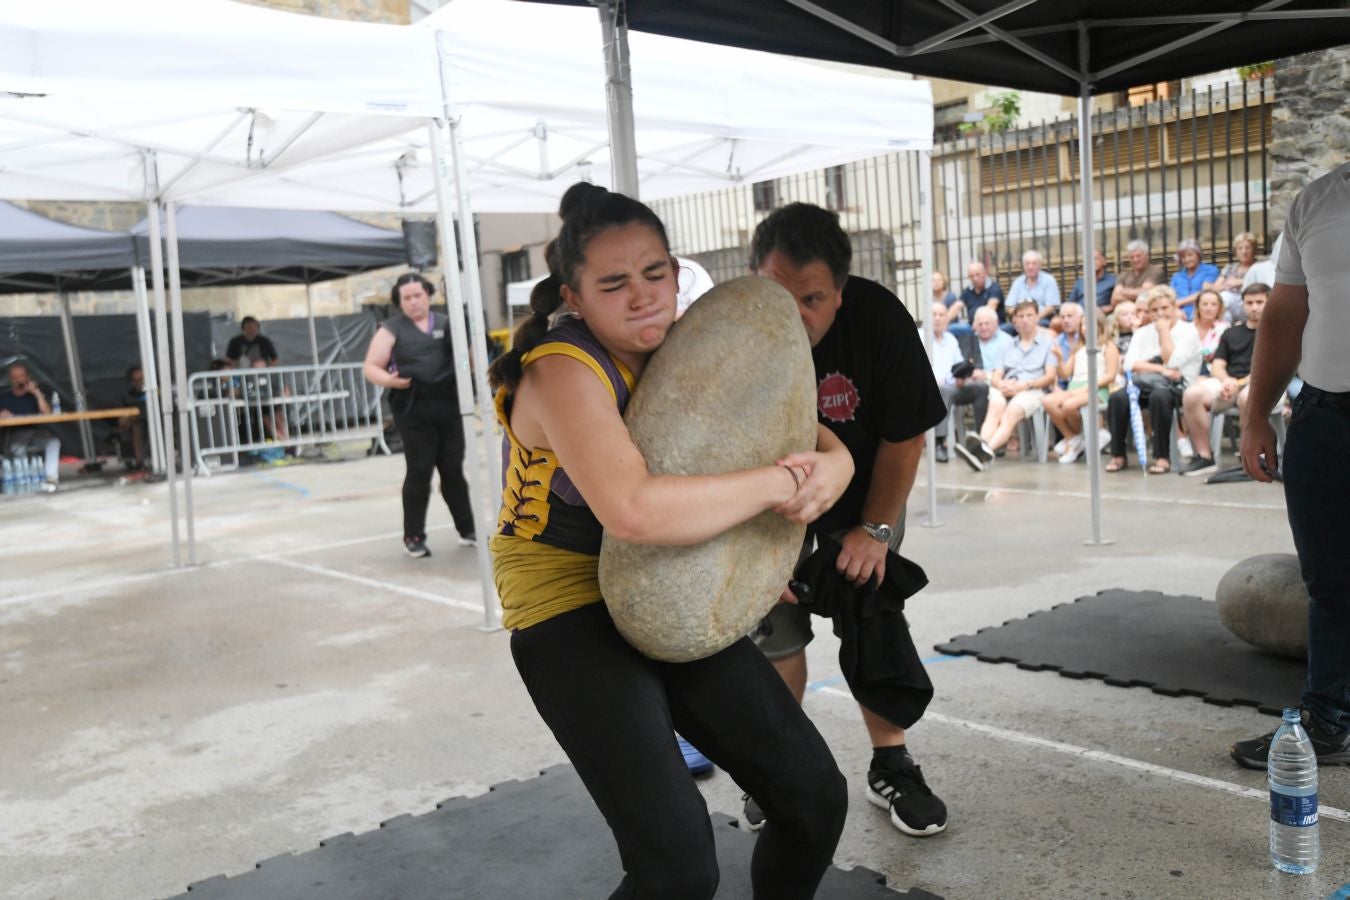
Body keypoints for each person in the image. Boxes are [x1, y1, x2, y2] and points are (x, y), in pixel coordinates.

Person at [487, 184, 855, 898]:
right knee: (679, 864)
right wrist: (783, 486)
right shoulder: (563, 369)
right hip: (567, 606)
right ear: (575, 294)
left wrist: (834, 462)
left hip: (669, 577)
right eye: (614, 282)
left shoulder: (682, 340)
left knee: (814, 799)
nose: (643, 296)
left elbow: (791, 426)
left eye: (656, 272)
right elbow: (633, 511)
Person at [747, 202, 950, 839]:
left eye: (811, 299)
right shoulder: (732, 332)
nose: (794, 314)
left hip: (864, 497)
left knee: (871, 611)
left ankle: (892, 763)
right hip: (763, 501)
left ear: (840, 290)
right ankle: (781, 772)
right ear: (755, 277)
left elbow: (904, 438)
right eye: (778, 294)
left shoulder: (879, 318)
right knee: (775, 634)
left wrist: (877, 531)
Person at [1233, 162, 1350, 770]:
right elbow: (1282, 316)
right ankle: (1327, 719)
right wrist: (1256, 415)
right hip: (1324, 413)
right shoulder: (1317, 200)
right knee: (1329, 583)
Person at [363, 273, 476, 557]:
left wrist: (468, 360)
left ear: (428, 295)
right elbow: (371, 367)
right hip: (413, 408)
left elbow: (466, 359)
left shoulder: (448, 324)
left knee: (453, 470)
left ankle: (467, 529)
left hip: (449, 406)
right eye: (407, 298)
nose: (413, 302)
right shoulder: (390, 329)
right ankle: (413, 536)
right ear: (399, 302)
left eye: (418, 295)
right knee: (420, 470)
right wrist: (391, 381)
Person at [1104, 286, 1202, 474]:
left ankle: (1162, 457)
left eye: (1165, 308)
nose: (1160, 314)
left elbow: (1173, 361)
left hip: (1178, 386)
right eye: (1155, 310)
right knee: (1117, 398)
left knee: (1159, 397)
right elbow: (1129, 364)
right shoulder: (1142, 332)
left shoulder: (1188, 331)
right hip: (1144, 383)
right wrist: (1159, 368)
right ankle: (1118, 455)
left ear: (1174, 307)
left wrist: (1164, 332)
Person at [1179, 283, 1267, 478]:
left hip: (1264, 385)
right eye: (1249, 302)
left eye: (1260, 302)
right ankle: (1204, 457)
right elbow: (1218, 365)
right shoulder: (1231, 333)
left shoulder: (1278, 332)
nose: (1254, 307)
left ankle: (1251, 458)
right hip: (1229, 383)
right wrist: (1228, 381)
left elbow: (1270, 369)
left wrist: (1239, 383)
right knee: (1192, 394)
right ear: (1242, 304)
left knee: (1247, 398)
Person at [957, 300, 1056, 471]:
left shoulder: (1048, 343)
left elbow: (1050, 376)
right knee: (994, 409)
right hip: (1006, 386)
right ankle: (980, 452)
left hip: (1032, 389)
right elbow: (996, 374)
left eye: (1029, 316)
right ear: (1015, 320)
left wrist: (1024, 386)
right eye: (1020, 316)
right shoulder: (1008, 344)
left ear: (1036, 318)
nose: (1024, 320)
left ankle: (984, 450)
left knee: (1011, 413)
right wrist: (1001, 384)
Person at [1044, 312, 1120, 465]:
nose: (1085, 328)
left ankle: (1082, 439)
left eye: (1090, 325)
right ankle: (1074, 438)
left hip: (1098, 389)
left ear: (1100, 326)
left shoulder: (1108, 347)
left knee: (1068, 405)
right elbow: (1065, 373)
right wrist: (1059, 358)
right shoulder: (1078, 348)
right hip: (1075, 388)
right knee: (1048, 401)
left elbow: (1111, 375)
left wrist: (1088, 387)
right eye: (1083, 325)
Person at [927, 303, 985, 463]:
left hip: (954, 386)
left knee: (981, 387)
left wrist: (964, 375)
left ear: (947, 319)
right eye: (934, 314)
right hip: (931, 389)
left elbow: (958, 364)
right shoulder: (919, 336)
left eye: (941, 315)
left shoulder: (951, 339)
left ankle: (981, 439)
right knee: (944, 390)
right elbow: (914, 367)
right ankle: (940, 443)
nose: (937, 318)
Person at [0, 361, 59, 490]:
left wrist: (37, 394)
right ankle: (27, 480)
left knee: (53, 442)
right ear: (11, 379)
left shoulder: (35, 395)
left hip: (35, 432)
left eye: (21, 376)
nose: (18, 380)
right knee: (17, 448)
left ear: (27, 377)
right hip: (15, 433)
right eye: (15, 377)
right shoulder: (4, 397)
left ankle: (51, 477)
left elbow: (48, 414)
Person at [1208, 232, 1258, 322]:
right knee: (1224, 308)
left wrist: (1240, 282)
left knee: (1225, 297)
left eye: (1247, 248)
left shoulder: (1259, 266)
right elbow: (1215, 287)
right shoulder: (1230, 268)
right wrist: (1225, 286)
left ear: (1253, 249)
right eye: (1240, 248)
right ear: (1236, 251)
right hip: (1232, 305)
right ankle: (1222, 332)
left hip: (1252, 302)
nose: (1244, 251)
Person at [1169, 239, 1220, 319]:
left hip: (1200, 310)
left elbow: (1205, 293)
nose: (1187, 259)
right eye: (1183, 257)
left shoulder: (1210, 270)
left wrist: (1179, 303)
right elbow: (1170, 297)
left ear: (1198, 255)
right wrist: (1176, 309)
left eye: (1190, 255)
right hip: (1179, 312)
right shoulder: (1176, 276)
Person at [1006, 249, 1060, 325]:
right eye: (1027, 264)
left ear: (1039, 265)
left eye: (1034, 263)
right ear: (1023, 266)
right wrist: (1017, 317)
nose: (1030, 267)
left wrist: (1035, 318)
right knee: (1004, 329)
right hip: (1020, 320)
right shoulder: (1017, 282)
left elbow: (1051, 307)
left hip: (1041, 319)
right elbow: (1009, 306)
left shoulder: (1049, 280)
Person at [1109, 240, 1164, 311]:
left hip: (1147, 311)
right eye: (1132, 257)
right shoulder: (1123, 275)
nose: (1135, 260)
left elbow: (1145, 293)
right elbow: (1114, 299)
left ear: (1147, 256)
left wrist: (1122, 291)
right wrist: (1137, 300)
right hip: (1124, 312)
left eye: (1138, 256)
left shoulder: (1155, 271)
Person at [118, 365, 149, 470]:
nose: (139, 383)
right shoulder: (130, 396)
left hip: (158, 421)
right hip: (139, 422)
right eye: (135, 381)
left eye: (141, 379)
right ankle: (140, 462)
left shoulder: (156, 391)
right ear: (131, 382)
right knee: (135, 427)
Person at [1192, 289, 1229, 376]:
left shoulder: (1224, 329)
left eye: (1213, 304)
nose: (1209, 308)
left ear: (1219, 308)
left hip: (1211, 372)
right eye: (1205, 304)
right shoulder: (1187, 328)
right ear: (1198, 307)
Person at [958, 260, 1005, 325]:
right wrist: (945, 319)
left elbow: (991, 307)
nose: (975, 278)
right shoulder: (968, 290)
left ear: (984, 273)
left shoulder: (994, 288)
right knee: (951, 328)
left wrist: (978, 322)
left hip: (993, 326)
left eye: (977, 275)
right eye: (971, 276)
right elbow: (957, 306)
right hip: (971, 326)